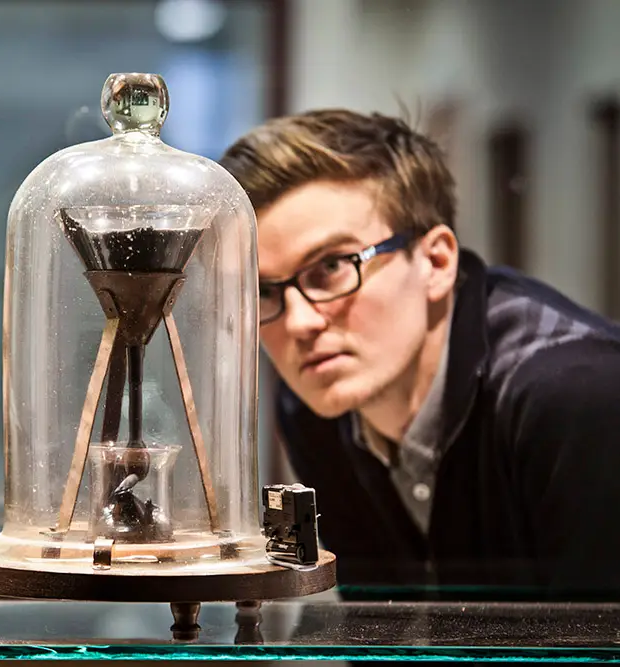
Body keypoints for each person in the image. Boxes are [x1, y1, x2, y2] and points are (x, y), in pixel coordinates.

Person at [220, 109, 620, 599]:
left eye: (332, 266)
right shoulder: (312, 408)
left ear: (436, 261)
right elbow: (375, 625)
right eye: (263, 290)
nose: (299, 323)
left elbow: (598, 635)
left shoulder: (577, 398)